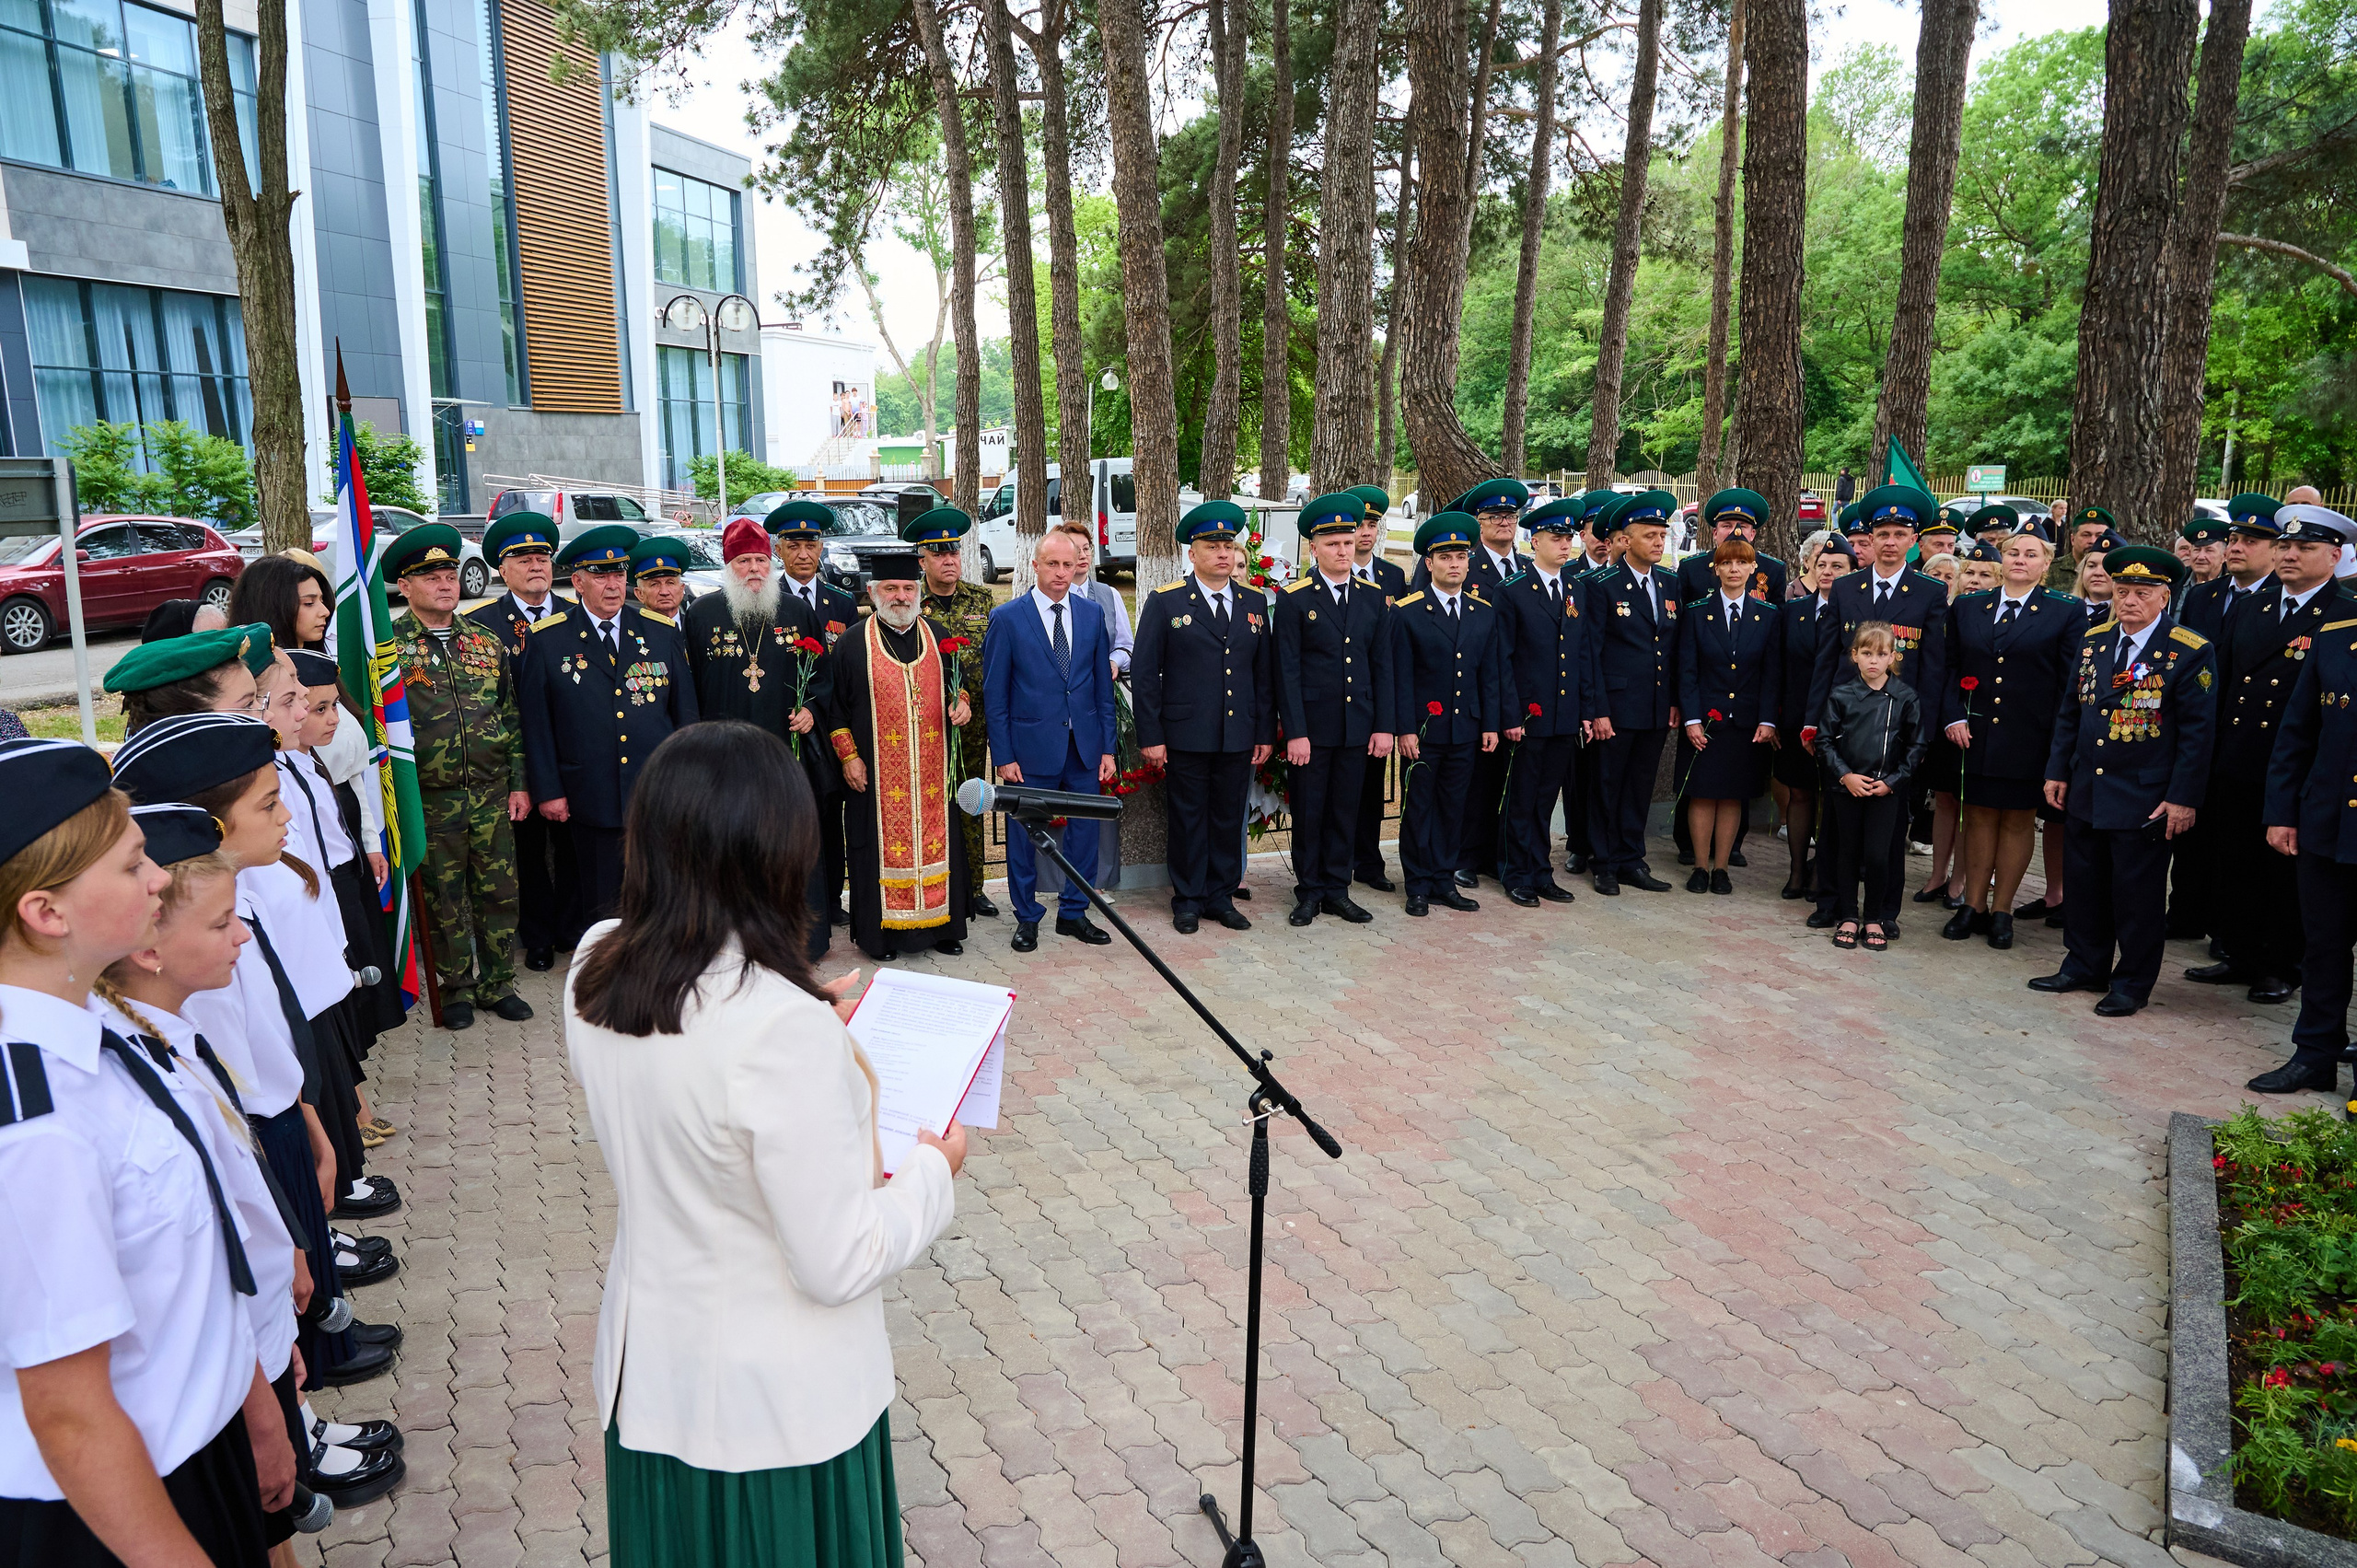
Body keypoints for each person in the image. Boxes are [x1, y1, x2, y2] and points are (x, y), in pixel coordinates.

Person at [564, 722, 963, 1568]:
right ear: (771, 852)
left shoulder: (595, 963)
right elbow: (838, 1257)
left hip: (650, 1379)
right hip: (775, 1412)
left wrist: (807, 1013)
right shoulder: (779, 1032)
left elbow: (697, 1056)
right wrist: (935, 1169)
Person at [0, 739, 298, 1568]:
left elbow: (190, 1262)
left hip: (199, 1448)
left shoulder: (100, 1034)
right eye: (134, 867)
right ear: (47, 913)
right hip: (117, 1502)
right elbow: (67, 1409)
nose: (161, 878)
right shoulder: (33, 1118)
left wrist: (256, 1413)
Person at [2029, 545, 2215, 1018]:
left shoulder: (2188, 650)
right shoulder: (2095, 640)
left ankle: (2132, 981)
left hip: (2145, 794)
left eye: (2142, 592)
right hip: (2088, 784)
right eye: (2123, 590)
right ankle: (2084, 964)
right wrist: (2056, 769)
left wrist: (2181, 798)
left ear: (2164, 596)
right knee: (2085, 883)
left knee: (2136, 895)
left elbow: (2197, 735)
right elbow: (2071, 712)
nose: (2129, 600)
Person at [2185, 505, 2353, 1006]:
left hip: (2299, 763)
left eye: (2305, 548)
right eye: (2285, 546)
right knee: (2236, 859)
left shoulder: (2344, 612)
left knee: (2284, 871)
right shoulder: (2256, 605)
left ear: (2334, 556)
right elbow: (2230, 680)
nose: (2291, 555)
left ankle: (2283, 963)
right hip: (2240, 754)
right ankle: (2239, 952)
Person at [517, 525, 697, 925]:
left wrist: (689, 782)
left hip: (655, 791)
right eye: (601, 575)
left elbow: (685, 717)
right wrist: (548, 791)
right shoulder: (549, 640)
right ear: (578, 582)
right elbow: (537, 724)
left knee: (660, 891)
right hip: (589, 792)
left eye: (619, 574)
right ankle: (604, 975)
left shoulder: (660, 632)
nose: (613, 585)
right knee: (600, 897)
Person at [389, 524, 530, 1030]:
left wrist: (519, 781)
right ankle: (455, 989)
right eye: (431, 577)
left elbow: (510, 716)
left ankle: (498, 983)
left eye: (450, 573)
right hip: (431, 798)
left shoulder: (486, 642)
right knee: (444, 897)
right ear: (405, 587)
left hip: (492, 793)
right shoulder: (389, 651)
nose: (446, 584)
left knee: (499, 891)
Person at [1805, 484, 1949, 938]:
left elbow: (1931, 668)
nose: (1889, 541)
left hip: (1897, 729)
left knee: (1890, 827)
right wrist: (1814, 719)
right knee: (1836, 821)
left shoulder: (1928, 592)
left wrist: (1921, 735)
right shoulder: (1846, 587)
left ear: (1914, 540)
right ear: (1869, 538)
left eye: (1899, 533)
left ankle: (1884, 912)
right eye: (1882, 532)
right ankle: (1832, 902)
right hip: (1844, 725)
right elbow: (1827, 657)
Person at [822, 552, 973, 962]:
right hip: (876, 778)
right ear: (873, 593)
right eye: (891, 588)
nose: (901, 596)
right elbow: (834, 710)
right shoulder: (853, 643)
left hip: (931, 775)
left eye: (908, 588)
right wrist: (849, 757)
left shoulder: (939, 636)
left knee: (941, 844)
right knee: (874, 849)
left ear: (918, 593)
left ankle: (944, 927)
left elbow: (960, 687)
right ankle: (881, 937)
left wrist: (962, 704)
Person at [1132, 502, 1274, 933]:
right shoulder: (1167, 601)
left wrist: (1264, 730)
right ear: (1192, 554)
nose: (1223, 554)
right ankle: (1189, 898)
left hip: (1237, 733)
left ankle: (1220, 896)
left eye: (1229, 546)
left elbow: (1262, 674)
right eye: (1213, 546)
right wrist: (1151, 735)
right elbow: (1144, 672)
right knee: (1189, 816)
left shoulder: (1252, 601)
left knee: (1229, 816)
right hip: (1186, 733)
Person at [2249, 527, 2357, 1094]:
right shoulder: (2336, 635)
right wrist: (2282, 812)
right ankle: (2315, 1054)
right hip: (2325, 822)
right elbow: (2297, 733)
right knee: (2324, 948)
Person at [1936, 529, 2077, 949]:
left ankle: (2003, 910)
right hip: (1974, 732)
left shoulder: (2064, 611)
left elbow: (2068, 685)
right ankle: (1973, 906)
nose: (2020, 559)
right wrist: (1952, 717)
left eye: (2030, 554)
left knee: (2017, 821)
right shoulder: (1968, 607)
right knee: (1977, 816)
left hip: (2029, 735)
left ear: (2045, 564)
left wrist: (2057, 743)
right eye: (2013, 552)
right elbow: (1948, 668)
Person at [981, 530, 1116, 950]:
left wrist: (1108, 747)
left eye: (1069, 564)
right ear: (1035, 565)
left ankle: (1073, 913)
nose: (1061, 573)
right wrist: (1003, 755)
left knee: (1085, 835)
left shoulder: (1092, 615)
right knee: (1024, 838)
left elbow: (1100, 689)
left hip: (1084, 747)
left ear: (1080, 565)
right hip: (1029, 750)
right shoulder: (1007, 618)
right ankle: (1027, 917)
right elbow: (995, 694)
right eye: (1052, 564)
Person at [1276, 494, 1398, 925]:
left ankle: (1336, 889)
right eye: (1333, 545)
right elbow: (1286, 670)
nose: (1344, 551)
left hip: (1357, 727)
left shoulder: (1373, 597)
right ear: (1315, 548)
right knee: (1310, 812)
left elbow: (1382, 667)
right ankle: (1308, 891)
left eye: (1348, 543)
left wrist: (1384, 726)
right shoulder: (1294, 598)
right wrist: (1295, 731)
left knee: (1346, 810)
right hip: (1313, 728)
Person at [470, 511, 577, 967]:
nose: (536, 566)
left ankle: (573, 931)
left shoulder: (578, 617)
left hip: (570, 757)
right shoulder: (481, 625)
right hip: (515, 764)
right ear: (502, 568)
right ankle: (536, 937)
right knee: (527, 854)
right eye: (523, 558)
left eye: (543, 557)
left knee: (573, 850)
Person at [1385, 513, 1504, 916]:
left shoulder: (1482, 612)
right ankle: (1417, 884)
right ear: (1429, 564)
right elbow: (1399, 677)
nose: (1455, 564)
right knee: (1419, 808)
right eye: (1445, 557)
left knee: (1456, 808)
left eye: (1461, 556)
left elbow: (1489, 674)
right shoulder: (1407, 612)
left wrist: (1489, 723)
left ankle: (1443, 879)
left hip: (1466, 727)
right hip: (1424, 730)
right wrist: (1404, 728)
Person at [1672, 489, 1785, 870]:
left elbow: (1772, 668)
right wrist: (1689, 715)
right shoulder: (1695, 604)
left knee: (1734, 795)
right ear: (1716, 568)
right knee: (1702, 793)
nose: (1734, 568)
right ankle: (1700, 864)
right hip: (1706, 713)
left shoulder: (1767, 611)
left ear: (1753, 568)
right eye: (1727, 563)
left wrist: (1768, 717)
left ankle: (1722, 865)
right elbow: (1686, 666)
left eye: (1742, 563)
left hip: (1745, 718)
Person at [1492, 496, 1596, 907]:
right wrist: (1511, 713)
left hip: (1563, 715)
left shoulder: (1575, 589)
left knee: (1545, 797)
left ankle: (1541, 872)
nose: (1565, 545)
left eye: (1568, 537)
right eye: (1556, 537)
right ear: (1535, 541)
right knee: (1521, 799)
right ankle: (1515, 872)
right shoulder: (1513, 592)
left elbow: (1581, 653)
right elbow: (1503, 660)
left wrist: (1586, 711)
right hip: (1528, 715)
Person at [1585, 491, 1683, 895]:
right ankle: (1602, 861)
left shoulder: (1670, 582)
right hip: (1617, 706)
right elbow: (1590, 652)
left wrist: (1674, 700)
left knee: (1640, 785)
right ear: (1625, 540)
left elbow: (1673, 648)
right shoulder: (1601, 585)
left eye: (1663, 535)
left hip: (1656, 706)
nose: (1659, 543)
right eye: (1650, 535)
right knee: (1607, 783)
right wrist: (1598, 709)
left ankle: (1630, 857)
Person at [771, 502, 865, 924]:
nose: (804, 553)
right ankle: (792, 902)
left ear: (822, 548)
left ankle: (831, 900)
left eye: (811, 544)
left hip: (829, 731)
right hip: (785, 728)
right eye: (794, 545)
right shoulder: (766, 600)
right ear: (780, 549)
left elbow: (844, 672)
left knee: (829, 815)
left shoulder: (841, 603)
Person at [1817, 624, 1926, 950]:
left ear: (1893, 657)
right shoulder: (1841, 696)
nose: (1874, 661)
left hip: (1885, 791)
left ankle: (1875, 917)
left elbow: (1916, 746)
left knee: (1879, 855)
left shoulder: (1905, 697)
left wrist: (1892, 782)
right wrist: (1845, 776)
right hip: (1847, 788)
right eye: (1866, 653)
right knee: (1847, 852)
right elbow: (1824, 741)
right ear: (1855, 656)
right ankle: (1848, 915)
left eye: (1881, 654)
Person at [914, 508, 997, 919]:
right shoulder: (911, 603)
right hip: (924, 723)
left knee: (972, 800)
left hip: (974, 720)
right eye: (939, 554)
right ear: (922, 560)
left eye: (954, 553)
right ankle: (932, 882)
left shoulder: (980, 599)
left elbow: (994, 660)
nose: (949, 560)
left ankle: (975, 886)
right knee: (929, 802)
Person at [1778, 536, 1853, 912]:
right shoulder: (1793, 610)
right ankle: (1795, 870)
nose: (1827, 572)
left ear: (1852, 572)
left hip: (1842, 721)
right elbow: (1778, 668)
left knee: (1833, 800)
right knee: (1800, 794)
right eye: (1822, 565)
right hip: (1796, 718)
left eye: (1837, 566)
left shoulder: (1858, 611)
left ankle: (1823, 872)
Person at [1345, 488, 1410, 891]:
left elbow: (1395, 649)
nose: (1365, 533)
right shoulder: (1315, 579)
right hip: (1335, 706)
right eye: (1358, 526)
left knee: (1371, 790)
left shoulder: (1392, 577)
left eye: (1371, 525)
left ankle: (1369, 863)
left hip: (1373, 702)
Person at [2179, 494, 2282, 644]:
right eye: (2234, 540)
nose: (2236, 548)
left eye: (2250, 542)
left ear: (2276, 550)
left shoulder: (2283, 599)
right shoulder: (2199, 595)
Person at [1414, 478, 1527, 599]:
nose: (1505, 523)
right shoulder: (1460, 565)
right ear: (1480, 524)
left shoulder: (1530, 567)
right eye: (1495, 517)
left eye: (1511, 517)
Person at [626, 536, 689, 624]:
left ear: (681, 589)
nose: (664, 592)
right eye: (654, 584)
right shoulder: (629, 633)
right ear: (639, 594)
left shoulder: (696, 628)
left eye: (670, 583)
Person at [2073, 550, 2115, 623]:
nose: (2098, 573)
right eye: (2092, 566)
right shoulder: (2064, 609)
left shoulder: (2126, 617)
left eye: (2107, 567)